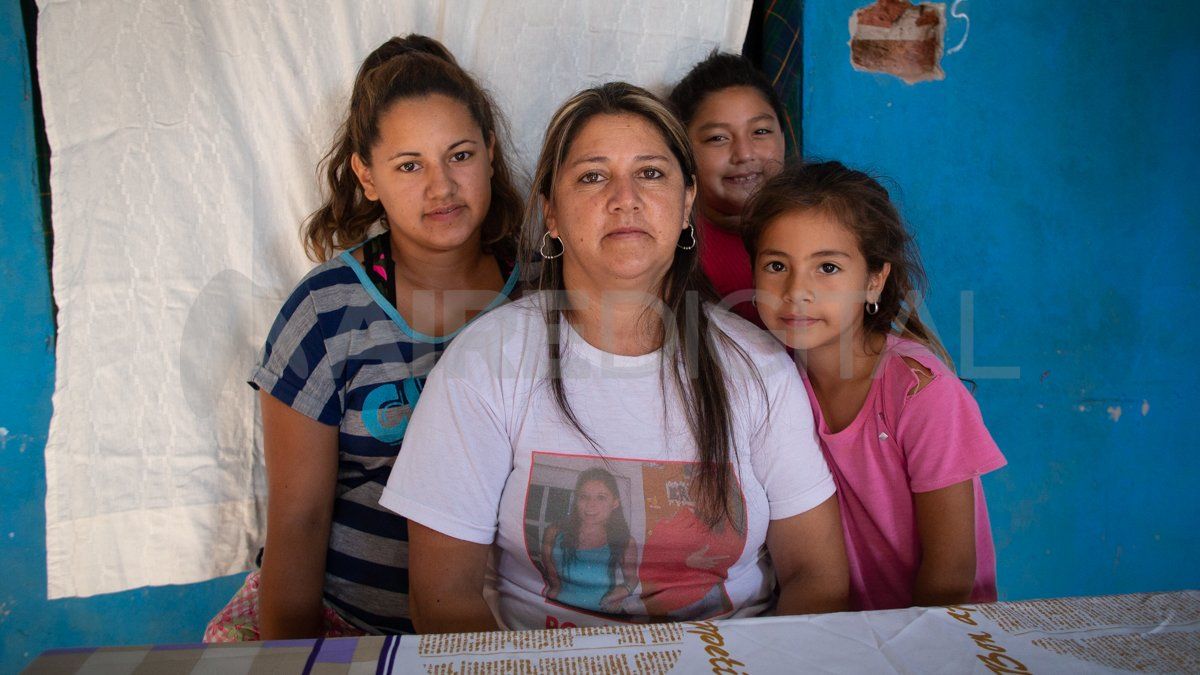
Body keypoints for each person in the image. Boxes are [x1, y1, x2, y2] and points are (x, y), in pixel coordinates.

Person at [382, 82, 848, 633]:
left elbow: (818, 577)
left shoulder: (757, 367)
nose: (624, 198)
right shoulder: (483, 365)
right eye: (592, 176)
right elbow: (442, 598)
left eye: (650, 173)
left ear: (686, 203)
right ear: (551, 213)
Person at [203, 34, 523, 640]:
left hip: (499, 629)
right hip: (347, 624)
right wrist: (296, 659)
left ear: (489, 152)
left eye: (459, 156)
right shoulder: (326, 312)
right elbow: (299, 521)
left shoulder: (539, 299)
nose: (441, 187)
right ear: (366, 175)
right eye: (409, 165)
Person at [742, 161, 1007, 611]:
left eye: (826, 267)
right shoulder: (770, 379)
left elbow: (951, 574)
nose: (796, 291)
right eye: (775, 265)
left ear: (874, 280)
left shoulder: (920, 393)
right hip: (834, 633)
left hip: (934, 639)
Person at [668, 52, 789, 324]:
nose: (744, 154)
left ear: (783, 136)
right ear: (682, 152)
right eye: (718, 138)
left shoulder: (822, 231)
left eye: (760, 132)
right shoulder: (672, 252)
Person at [539, 468, 639, 615]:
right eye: (584, 497)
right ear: (576, 500)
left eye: (601, 497)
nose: (591, 505)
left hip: (602, 616)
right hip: (556, 614)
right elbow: (553, 583)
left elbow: (632, 580)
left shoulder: (625, 542)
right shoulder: (553, 534)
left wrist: (623, 591)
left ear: (615, 503)